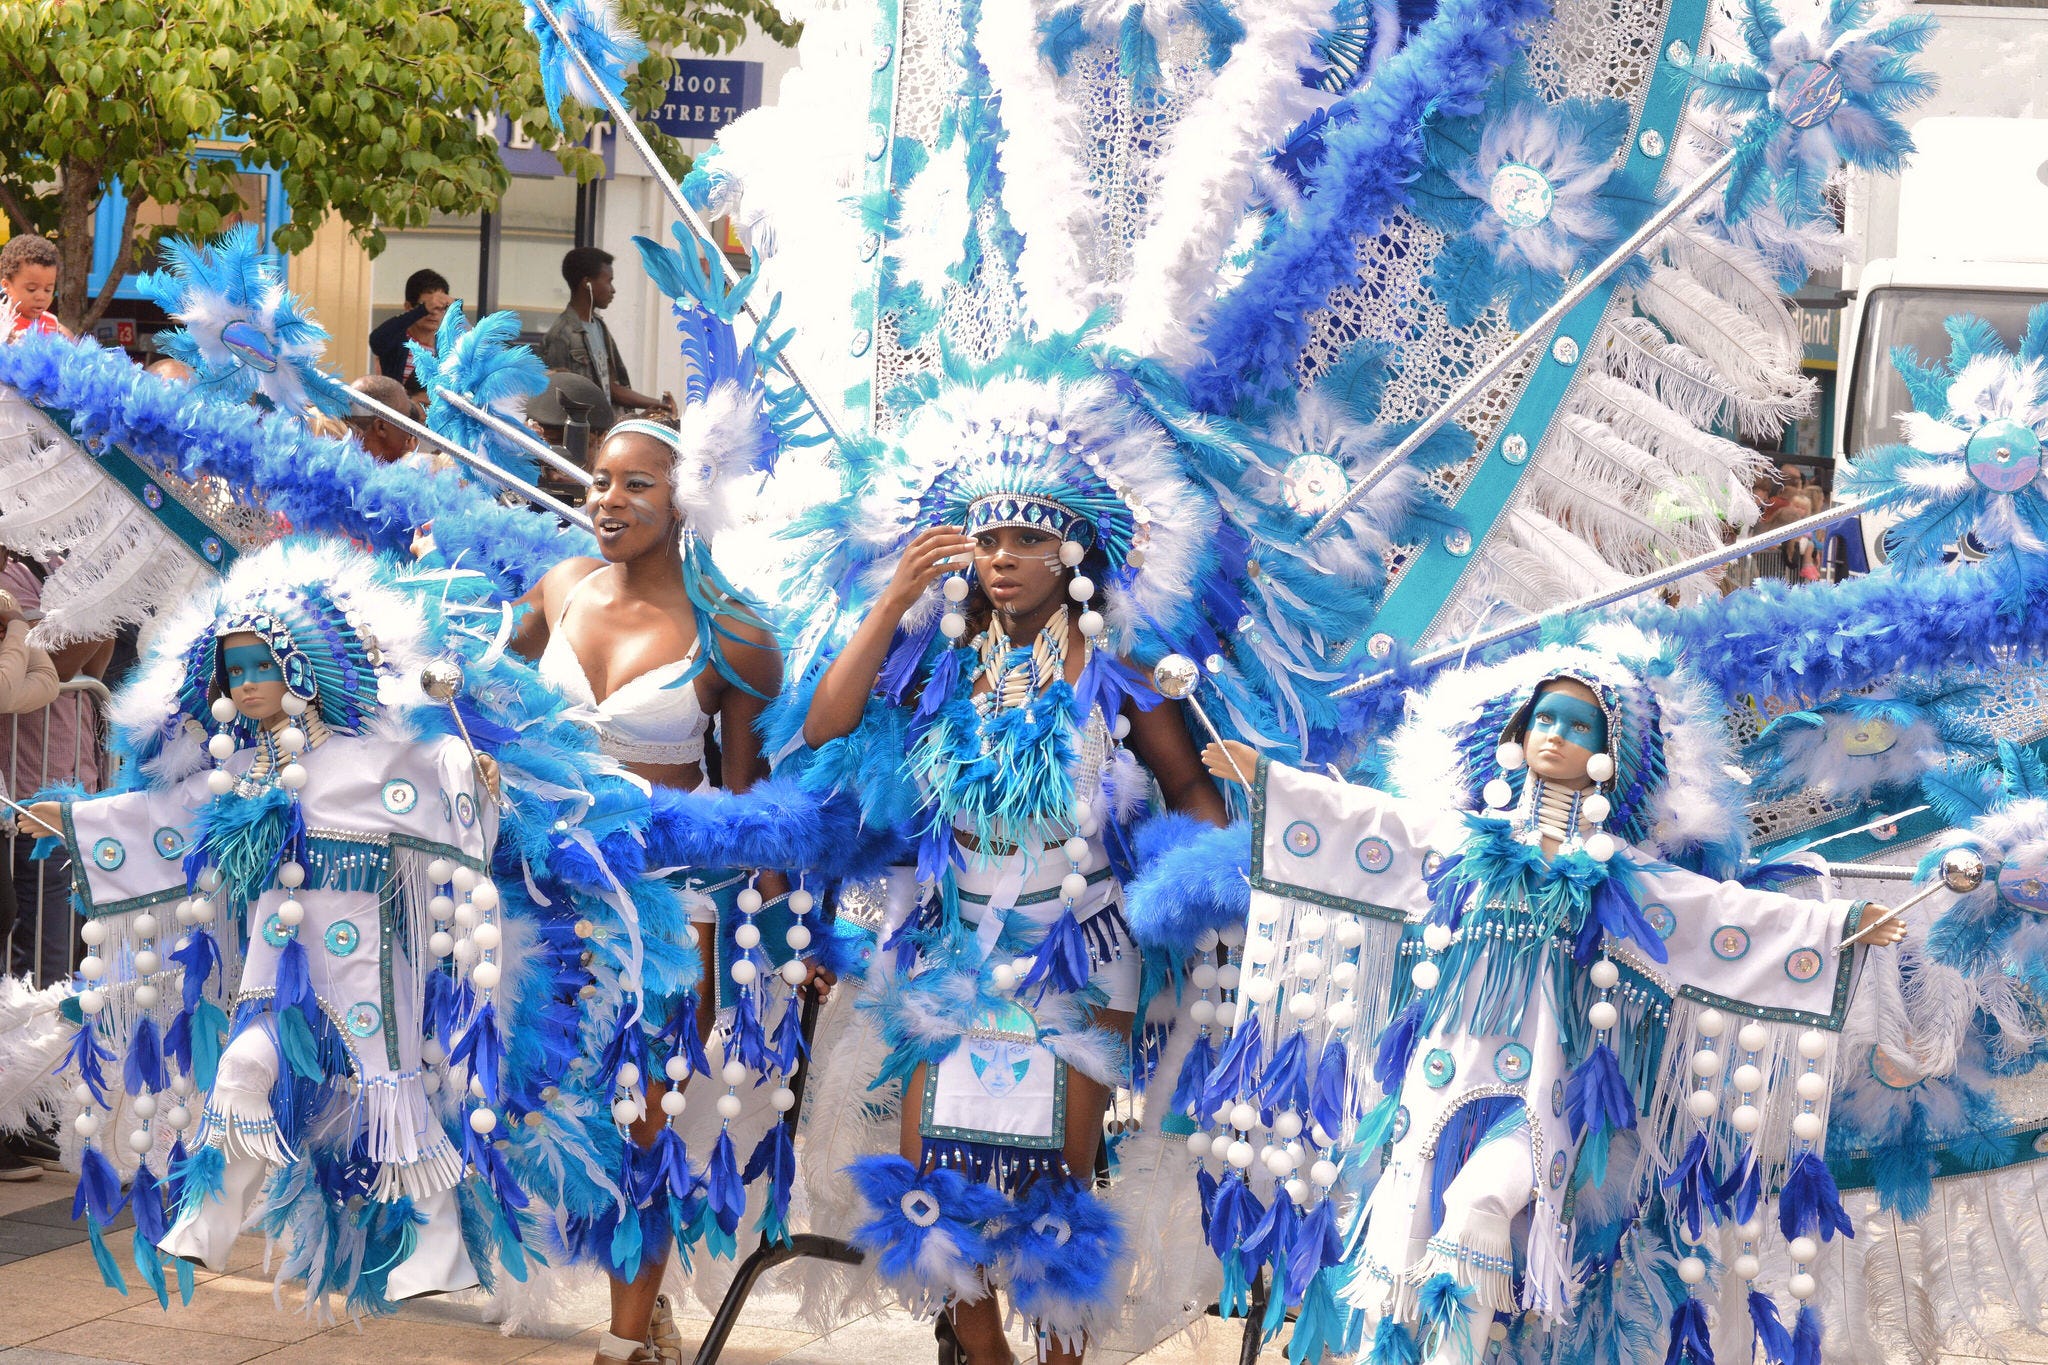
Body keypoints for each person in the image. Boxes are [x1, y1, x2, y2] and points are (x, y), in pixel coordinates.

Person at [1192, 639, 1907, 1365]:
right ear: (1516, 732)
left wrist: (1837, 930)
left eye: (1579, 724)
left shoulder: (1617, 876)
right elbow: (1359, 825)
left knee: (1479, 1204)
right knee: (1407, 1241)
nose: (1557, 734)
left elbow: (1720, 919)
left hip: (1542, 1098)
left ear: (1608, 755)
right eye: (1545, 718)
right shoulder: (1459, 846)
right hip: (1437, 1079)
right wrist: (1266, 781)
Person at [798, 441, 1228, 1365]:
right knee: (935, 1191)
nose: (1002, 557)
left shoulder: (1119, 665)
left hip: (1081, 949)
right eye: (987, 538)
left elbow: (1192, 787)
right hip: (954, 947)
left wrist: (1206, 884)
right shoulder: (941, 657)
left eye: (1028, 538)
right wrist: (893, 600)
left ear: (1071, 552)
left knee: (1049, 1198)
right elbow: (825, 723)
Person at [509, 421, 791, 1365]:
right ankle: (645, 1300)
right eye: (600, 480)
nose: (609, 499)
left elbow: (747, 799)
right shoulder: (559, 589)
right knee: (555, 1103)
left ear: (685, 500)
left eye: (638, 483)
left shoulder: (734, 632)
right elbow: (484, 694)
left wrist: (783, 933)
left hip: (667, 904)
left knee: (647, 1106)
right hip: (550, 889)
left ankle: (623, 1340)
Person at [540, 248, 672, 416]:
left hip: (606, 427)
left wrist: (660, 404)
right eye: (608, 281)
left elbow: (611, 388)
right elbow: (557, 404)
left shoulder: (599, 326)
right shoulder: (561, 336)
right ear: (587, 283)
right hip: (585, 431)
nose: (613, 289)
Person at [367, 268, 452, 392]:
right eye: (428, 306)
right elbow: (377, 340)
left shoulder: (448, 347)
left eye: (439, 307)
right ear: (408, 307)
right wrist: (421, 310)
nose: (434, 313)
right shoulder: (396, 341)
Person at [0, 235, 70, 340]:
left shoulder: (52, 324)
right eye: (31, 289)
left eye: (48, 290)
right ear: (6, 286)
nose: (41, 297)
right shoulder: (3, 322)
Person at [344, 374, 421, 464]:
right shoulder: (414, 467)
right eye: (406, 423)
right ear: (381, 427)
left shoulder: (335, 463)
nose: (408, 436)